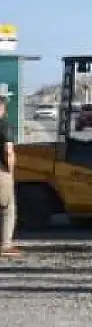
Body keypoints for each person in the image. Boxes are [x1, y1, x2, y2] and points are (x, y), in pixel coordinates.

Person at [0, 98, 18, 257]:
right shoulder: (4, 125)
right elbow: (8, 151)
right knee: (7, 208)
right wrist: (10, 173)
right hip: (1, 172)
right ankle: (6, 246)